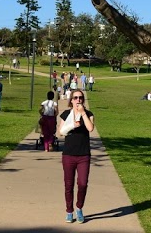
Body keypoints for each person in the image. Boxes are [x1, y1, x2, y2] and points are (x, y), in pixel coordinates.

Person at [59, 89, 95, 223]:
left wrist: (83, 113)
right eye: (75, 98)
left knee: (83, 183)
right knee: (68, 185)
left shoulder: (89, 114)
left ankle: (79, 208)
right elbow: (61, 132)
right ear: (71, 100)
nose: (78, 100)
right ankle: (69, 211)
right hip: (68, 154)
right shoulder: (66, 114)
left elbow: (90, 128)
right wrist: (72, 125)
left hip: (83, 155)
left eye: (80, 97)